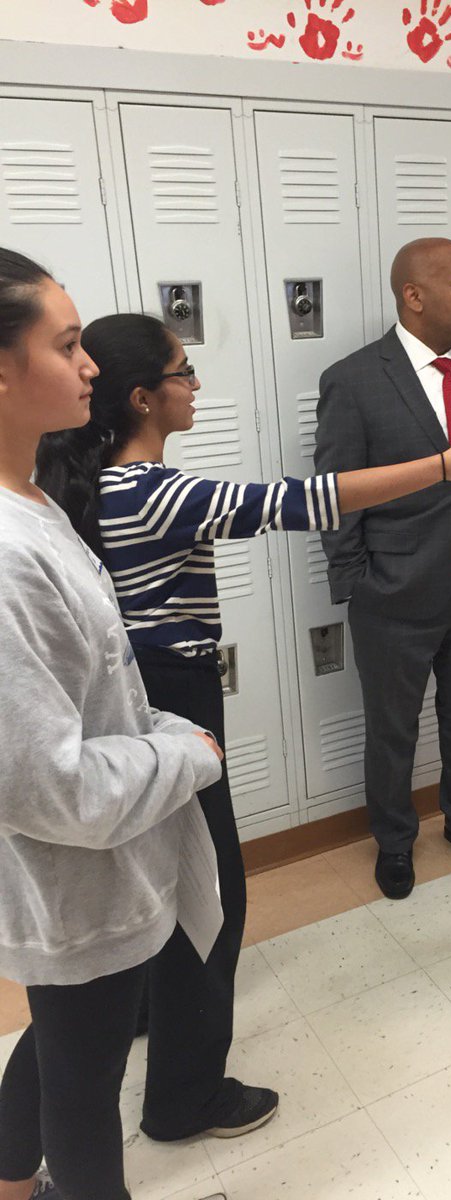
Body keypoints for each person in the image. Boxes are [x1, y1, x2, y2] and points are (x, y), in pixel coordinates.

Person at [35, 310, 451, 1142]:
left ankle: (153, 1018)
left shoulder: (74, 490)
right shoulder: (152, 493)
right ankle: (185, 1099)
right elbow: (305, 500)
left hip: (127, 703)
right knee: (211, 896)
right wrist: (445, 465)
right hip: (173, 700)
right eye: (184, 373)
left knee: (161, 877)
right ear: (144, 398)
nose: (196, 386)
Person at [0, 249, 225, 1200]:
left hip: (92, 869)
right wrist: (184, 752)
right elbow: (47, 785)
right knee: (87, 1088)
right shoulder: (6, 556)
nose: (91, 364)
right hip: (77, 868)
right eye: (65, 345)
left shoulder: (36, 503)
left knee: (62, 1043)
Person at [314, 237, 451, 900]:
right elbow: (335, 493)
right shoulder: (353, 380)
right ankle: (396, 840)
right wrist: (356, 582)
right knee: (392, 729)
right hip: (394, 595)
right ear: (414, 295)